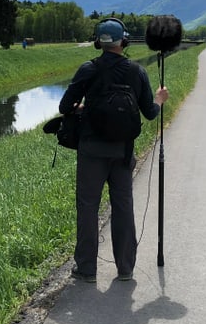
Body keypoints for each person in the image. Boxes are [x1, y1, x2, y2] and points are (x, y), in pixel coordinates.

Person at [59, 18, 169, 283]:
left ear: (99, 42)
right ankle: (125, 268)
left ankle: (86, 269)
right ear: (124, 41)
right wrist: (159, 99)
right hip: (122, 152)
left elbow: (65, 106)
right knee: (123, 206)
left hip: (91, 151)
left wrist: (81, 108)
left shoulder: (88, 69)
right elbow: (150, 113)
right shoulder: (136, 71)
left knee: (87, 207)